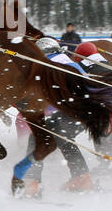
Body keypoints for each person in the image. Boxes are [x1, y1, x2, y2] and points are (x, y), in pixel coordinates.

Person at [20, 38, 94, 193]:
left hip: (69, 112)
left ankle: (32, 183)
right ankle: (81, 178)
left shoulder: (43, 66)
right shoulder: (72, 64)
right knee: (64, 138)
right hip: (87, 112)